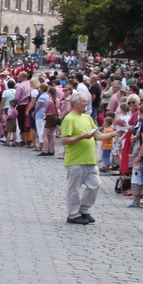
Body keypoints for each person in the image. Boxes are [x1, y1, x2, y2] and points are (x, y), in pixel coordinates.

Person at [60, 94, 100, 225]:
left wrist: (113, 134)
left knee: (95, 185)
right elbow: (65, 140)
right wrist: (82, 137)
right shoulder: (69, 119)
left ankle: (83, 209)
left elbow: (98, 135)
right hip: (76, 160)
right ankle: (73, 214)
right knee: (74, 189)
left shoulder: (87, 118)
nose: (86, 103)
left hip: (90, 160)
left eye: (86, 101)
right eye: (83, 101)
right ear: (75, 103)